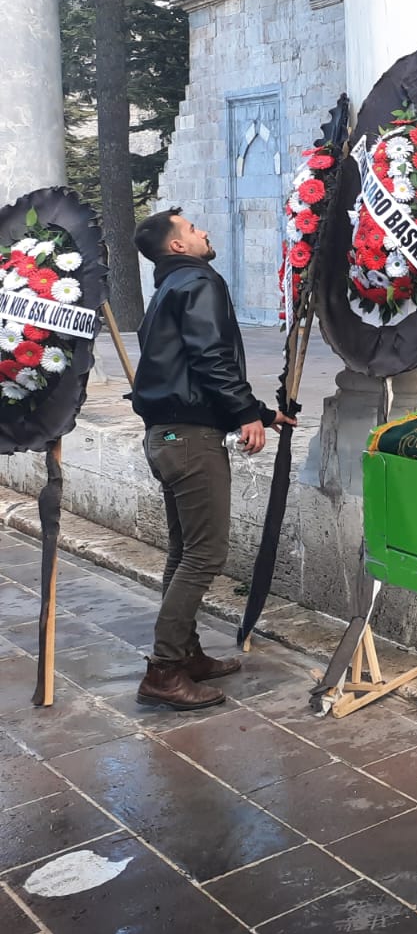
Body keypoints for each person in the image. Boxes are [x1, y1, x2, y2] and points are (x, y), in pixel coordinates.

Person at [129, 209, 293, 710]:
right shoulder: (199, 281)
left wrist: (260, 412)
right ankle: (164, 671)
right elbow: (210, 356)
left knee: (184, 552)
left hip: (166, 435)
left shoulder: (166, 288)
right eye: (192, 228)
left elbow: (184, 367)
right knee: (204, 556)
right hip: (191, 440)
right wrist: (245, 414)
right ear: (178, 246)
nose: (203, 231)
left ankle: (185, 654)